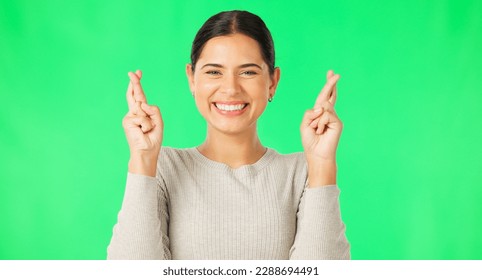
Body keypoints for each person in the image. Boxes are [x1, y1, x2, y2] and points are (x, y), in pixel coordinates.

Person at [107, 10, 350, 260]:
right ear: (192, 79)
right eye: (214, 72)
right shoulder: (163, 168)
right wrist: (143, 159)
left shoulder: (302, 173)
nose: (231, 89)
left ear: (272, 82)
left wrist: (322, 164)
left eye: (248, 72)